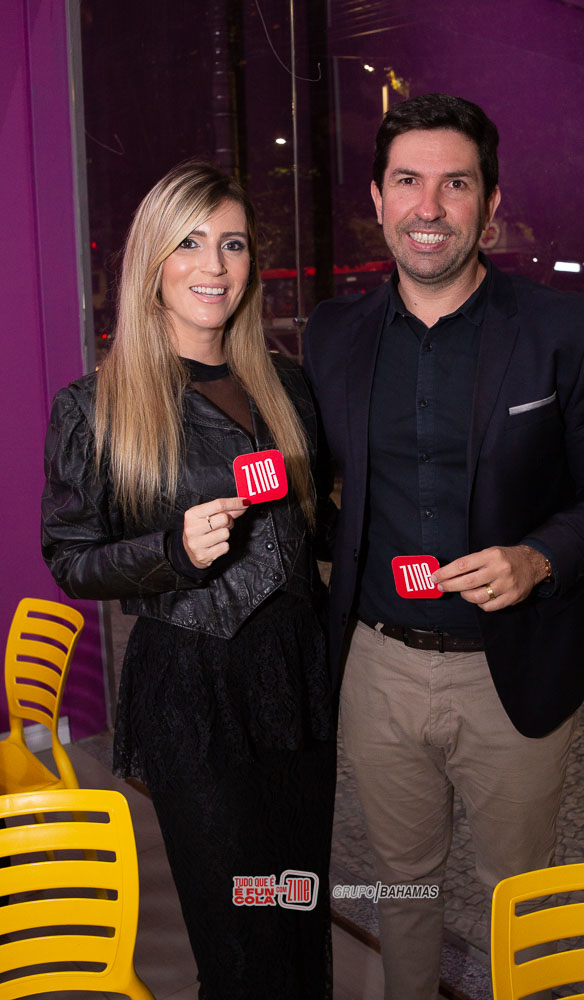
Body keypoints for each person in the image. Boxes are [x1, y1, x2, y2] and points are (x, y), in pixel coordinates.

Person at [304, 93, 584, 1000]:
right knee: (402, 882)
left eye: (454, 184)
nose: (429, 206)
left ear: (489, 202)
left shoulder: (562, 329)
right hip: (378, 666)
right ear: (376, 198)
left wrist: (538, 557)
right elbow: (302, 483)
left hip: (513, 665)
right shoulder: (333, 335)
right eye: (407, 182)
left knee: (516, 892)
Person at [42, 161, 336, 1000]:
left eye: (232, 244)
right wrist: (169, 548)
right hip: (191, 686)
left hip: (296, 672)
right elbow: (70, 558)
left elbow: (313, 528)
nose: (213, 265)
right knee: (237, 937)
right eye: (190, 243)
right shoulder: (94, 407)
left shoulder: (286, 385)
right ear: (153, 263)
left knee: (297, 910)